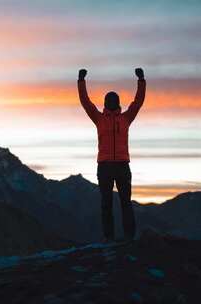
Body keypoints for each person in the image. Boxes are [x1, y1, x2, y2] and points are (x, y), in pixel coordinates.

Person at [77, 68, 146, 241]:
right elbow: (85, 102)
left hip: (122, 165)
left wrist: (141, 81)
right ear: (106, 103)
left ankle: (129, 237)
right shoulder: (99, 118)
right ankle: (109, 239)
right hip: (105, 166)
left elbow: (138, 102)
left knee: (125, 203)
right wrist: (81, 81)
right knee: (106, 204)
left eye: (113, 99)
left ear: (117, 102)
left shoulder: (125, 118)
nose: (111, 101)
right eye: (109, 99)